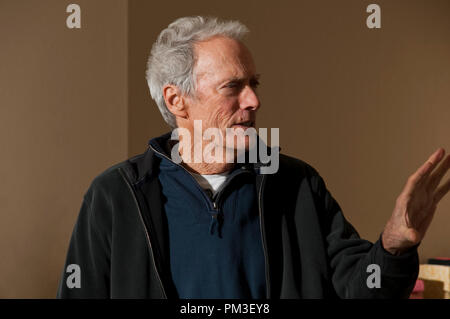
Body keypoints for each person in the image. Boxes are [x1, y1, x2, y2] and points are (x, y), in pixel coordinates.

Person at [57, 16, 450, 299]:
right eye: (234, 87)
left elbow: (361, 290)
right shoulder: (114, 195)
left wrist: (395, 245)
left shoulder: (297, 184)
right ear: (177, 100)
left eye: (254, 84)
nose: (254, 101)